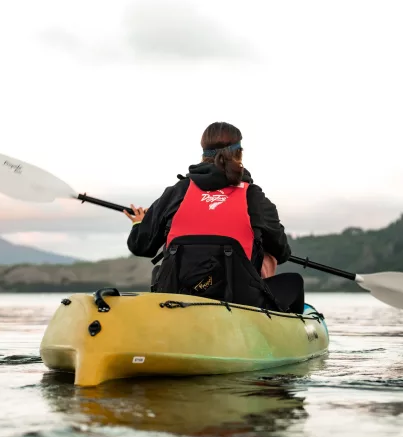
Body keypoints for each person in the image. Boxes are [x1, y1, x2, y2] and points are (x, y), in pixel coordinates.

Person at [123, 121, 305, 314]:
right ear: (239, 154)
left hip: (176, 296)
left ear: (203, 153)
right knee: (294, 282)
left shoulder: (178, 192)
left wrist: (139, 224)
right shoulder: (253, 196)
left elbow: (140, 246)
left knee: (158, 273)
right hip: (240, 303)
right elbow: (282, 252)